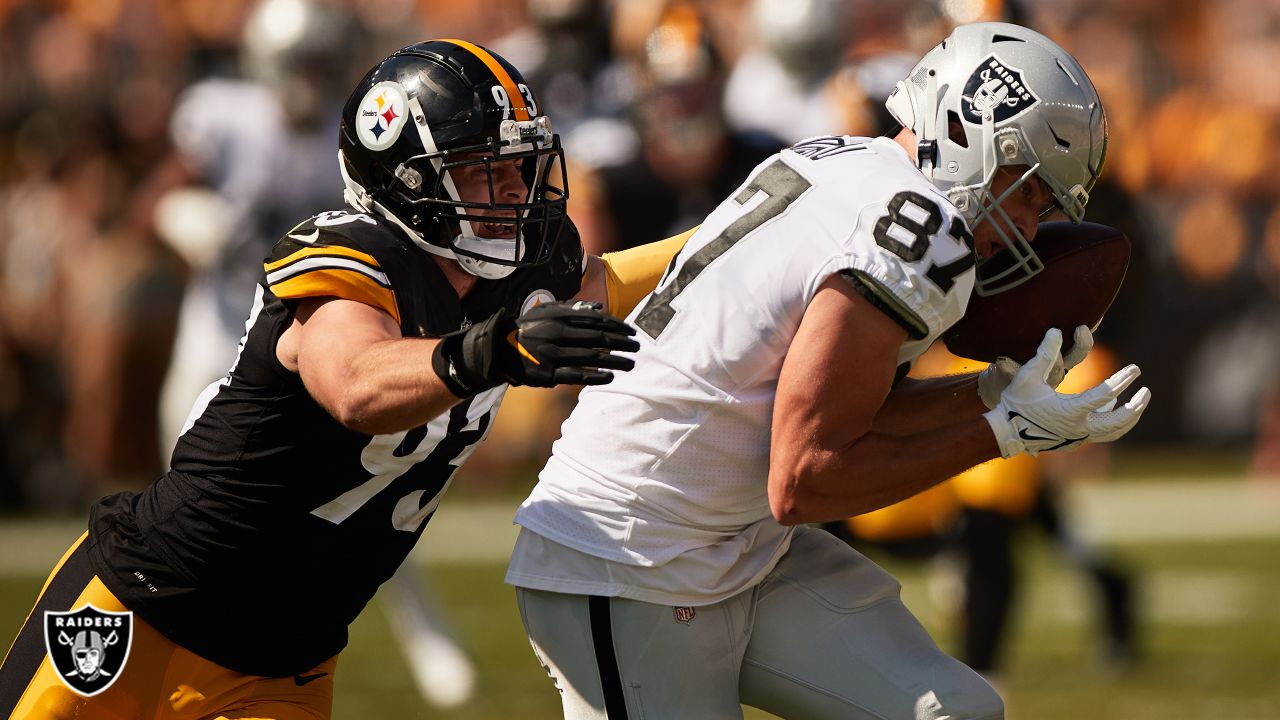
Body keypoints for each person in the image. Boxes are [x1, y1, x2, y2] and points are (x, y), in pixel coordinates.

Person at [0, 39, 685, 719]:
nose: (515, 190)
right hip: (143, 612)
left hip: (282, 668)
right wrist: (490, 353)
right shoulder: (353, 255)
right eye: (484, 169)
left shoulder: (516, 273)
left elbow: (612, 281)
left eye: (521, 166)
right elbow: (355, 385)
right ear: (410, 181)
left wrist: (749, 221)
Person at [505, 22, 1151, 719]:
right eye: (1028, 193)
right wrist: (999, 433)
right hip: (631, 555)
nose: (1029, 229)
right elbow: (806, 477)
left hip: (732, 544)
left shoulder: (847, 160)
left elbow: (839, 408)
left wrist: (990, 394)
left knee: (957, 711)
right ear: (973, 139)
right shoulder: (919, 233)